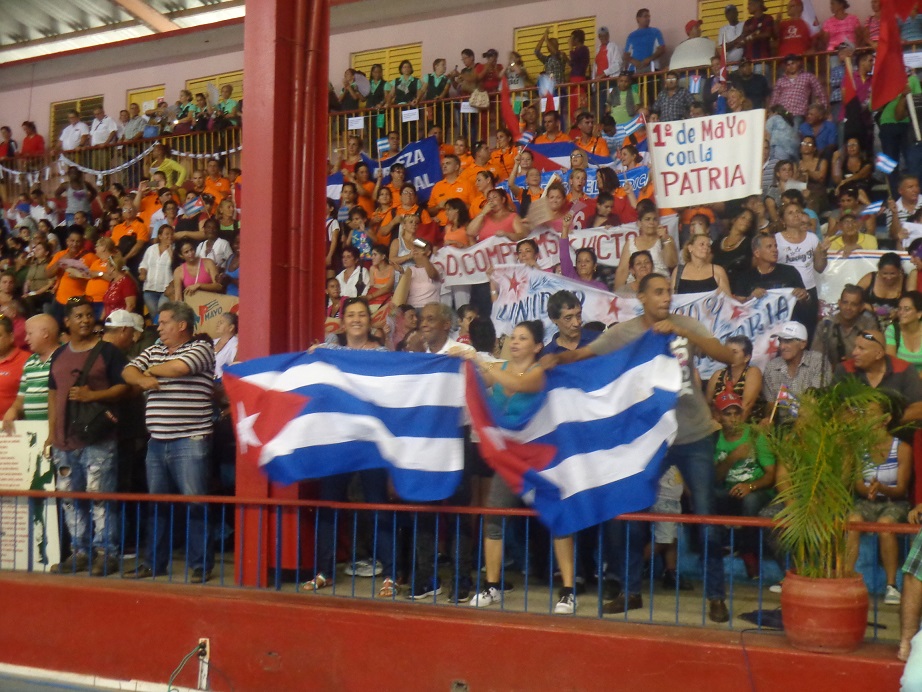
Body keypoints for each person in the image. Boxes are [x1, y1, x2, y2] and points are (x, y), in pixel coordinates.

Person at [542, 273, 734, 623]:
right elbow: (586, 355)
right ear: (642, 297)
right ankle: (629, 591)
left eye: (668, 292)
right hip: (647, 439)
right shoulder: (624, 332)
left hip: (693, 434)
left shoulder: (685, 324)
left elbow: (726, 355)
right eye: (658, 292)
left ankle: (717, 596)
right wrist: (556, 362)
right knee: (627, 512)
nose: (666, 298)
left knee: (706, 516)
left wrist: (685, 335)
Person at [461, 320, 578, 614]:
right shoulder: (498, 369)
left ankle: (568, 590)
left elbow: (516, 384)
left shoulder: (539, 372)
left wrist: (476, 358)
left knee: (558, 519)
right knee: (494, 516)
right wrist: (454, 360)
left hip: (543, 457)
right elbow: (473, 381)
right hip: (510, 458)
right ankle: (492, 585)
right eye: (512, 337)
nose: (514, 342)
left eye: (522, 338)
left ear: (537, 346)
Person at [122, 301, 215, 581]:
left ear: (182, 325)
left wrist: (148, 372)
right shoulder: (154, 349)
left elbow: (179, 369)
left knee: (195, 504)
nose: (158, 327)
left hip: (190, 439)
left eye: (164, 323)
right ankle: (154, 563)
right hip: (157, 441)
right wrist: (142, 374)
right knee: (157, 505)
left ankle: (200, 565)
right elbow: (127, 372)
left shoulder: (201, 348)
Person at [48, 297, 129, 576]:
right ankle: (80, 552)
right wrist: (51, 432)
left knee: (100, 497)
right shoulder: (58, 354)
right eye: (78, 316)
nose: (84, 320)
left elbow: (124, 388)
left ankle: (106, 554)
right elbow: (53, 393)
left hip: (98, 440)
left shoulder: (108, 352)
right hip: (63, 442)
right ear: (67, 322)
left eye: (88, 315)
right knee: (71, 499)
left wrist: (92, 395)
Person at [845, 400, 911, 607]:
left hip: (894, 501)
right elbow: (857, 484)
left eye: (871, 413)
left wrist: (881, 488)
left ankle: (892, 586)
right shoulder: (859, 447)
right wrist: (870, 490)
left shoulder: (902, 449)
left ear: (886, 419)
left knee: (885, 525)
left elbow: (901, 489)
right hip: (867, 500)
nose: (865, 417)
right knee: (852, 520)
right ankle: (847, 579)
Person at [712, 390, 776, 579]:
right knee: (712, 494)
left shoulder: (756, 436)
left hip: (757, 489)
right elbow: (714, 478)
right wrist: (733, 458)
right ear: (718, 417)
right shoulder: (715, 439)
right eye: (727, 414)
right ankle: (722, 545)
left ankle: (749, 552)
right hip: (728, 490)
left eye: (737, 413)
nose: (733, 418)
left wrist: (750, 486)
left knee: (750, 501)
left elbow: (771, 475)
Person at [761, 321, 833, 424]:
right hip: (782, 426)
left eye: (788, 341)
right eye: (781, 341)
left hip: (813, 426)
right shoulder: (772, 367)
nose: (782, 346)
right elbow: (771, 404)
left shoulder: (818, 362)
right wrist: (768, 421)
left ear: (803, 344)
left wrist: (794, 434)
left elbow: (813, 404)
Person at [2, 314, 60, 433]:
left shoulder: (65, 357)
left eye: (30, 333)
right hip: (32, 430)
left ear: (45, 333)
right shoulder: (30, 362)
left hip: (59, 430)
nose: (26, 339)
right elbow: (21, 398)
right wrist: (13, 409)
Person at [614, 199, 677, 288]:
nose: (651, 223)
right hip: (635, 288)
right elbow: (622, 271)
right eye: (647, 219)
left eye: (654, 219)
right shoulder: (631, 243)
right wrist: (617, 296)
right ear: (639, 223)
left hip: (660, 285)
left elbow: (672, 263)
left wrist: (665, 239)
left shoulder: (666, 239)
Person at [813, 284, 880, 366]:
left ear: (862, 307)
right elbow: (816, 357)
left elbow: (873, 354)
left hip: (861, 372)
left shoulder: (869, 325)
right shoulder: (825, 325)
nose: (848, 308)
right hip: (831, 373)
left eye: (854, 304)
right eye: (845, 303)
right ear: (839, 303)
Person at [706, 335, 764, 422]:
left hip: (746, 426)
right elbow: (707, 404)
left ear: (746, 357)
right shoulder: (717, 375)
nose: (729, 355)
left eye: (734, 352)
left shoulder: (753, 372)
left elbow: (746, 406)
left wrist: (734, 431)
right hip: (719, 426)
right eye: (727, 352)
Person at [769, 55, 828, 127]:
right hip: (782, 113)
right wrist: (771, 112)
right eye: (788, 65)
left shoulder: (807, 76)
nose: (791, 66)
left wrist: (824, 110)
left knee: (795, 134)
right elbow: (775, 98)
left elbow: (820, 92)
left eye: (793, 63)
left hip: (798, 113)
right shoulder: (780, 81)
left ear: (798, 63)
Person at [857, 253, 906, 330]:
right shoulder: (870, 278)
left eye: (893, 273)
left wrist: (898, 312)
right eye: (884, 273)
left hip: (894, 328)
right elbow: (853, 296)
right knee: (868, 338)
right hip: (867, 326)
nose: (888, 277)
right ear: (879, 270)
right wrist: (867, 306)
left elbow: (912, 303)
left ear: (899, 270)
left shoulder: (906, 281)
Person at [543, 290, 597, 354]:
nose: (576, 323)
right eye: (568, 318)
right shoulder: (547, 354)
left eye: (578, 316)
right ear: (554, 319)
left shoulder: (599, 340)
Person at [886, 292, 922, 372]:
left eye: (907, 309)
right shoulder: (892, 330)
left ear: (919, 314)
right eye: (899, 308)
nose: (901, 313)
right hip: (902, 379)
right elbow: (892, 363)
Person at [624, 8, 666, 73]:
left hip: (652, 68)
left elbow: (661, 49)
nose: (648, 19)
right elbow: (626, 55)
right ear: (638, 19)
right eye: (645, 16)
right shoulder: (631, 36)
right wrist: (635, 62)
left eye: (649, 16)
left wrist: (649, 59)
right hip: (633, 70)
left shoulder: (655, 32)